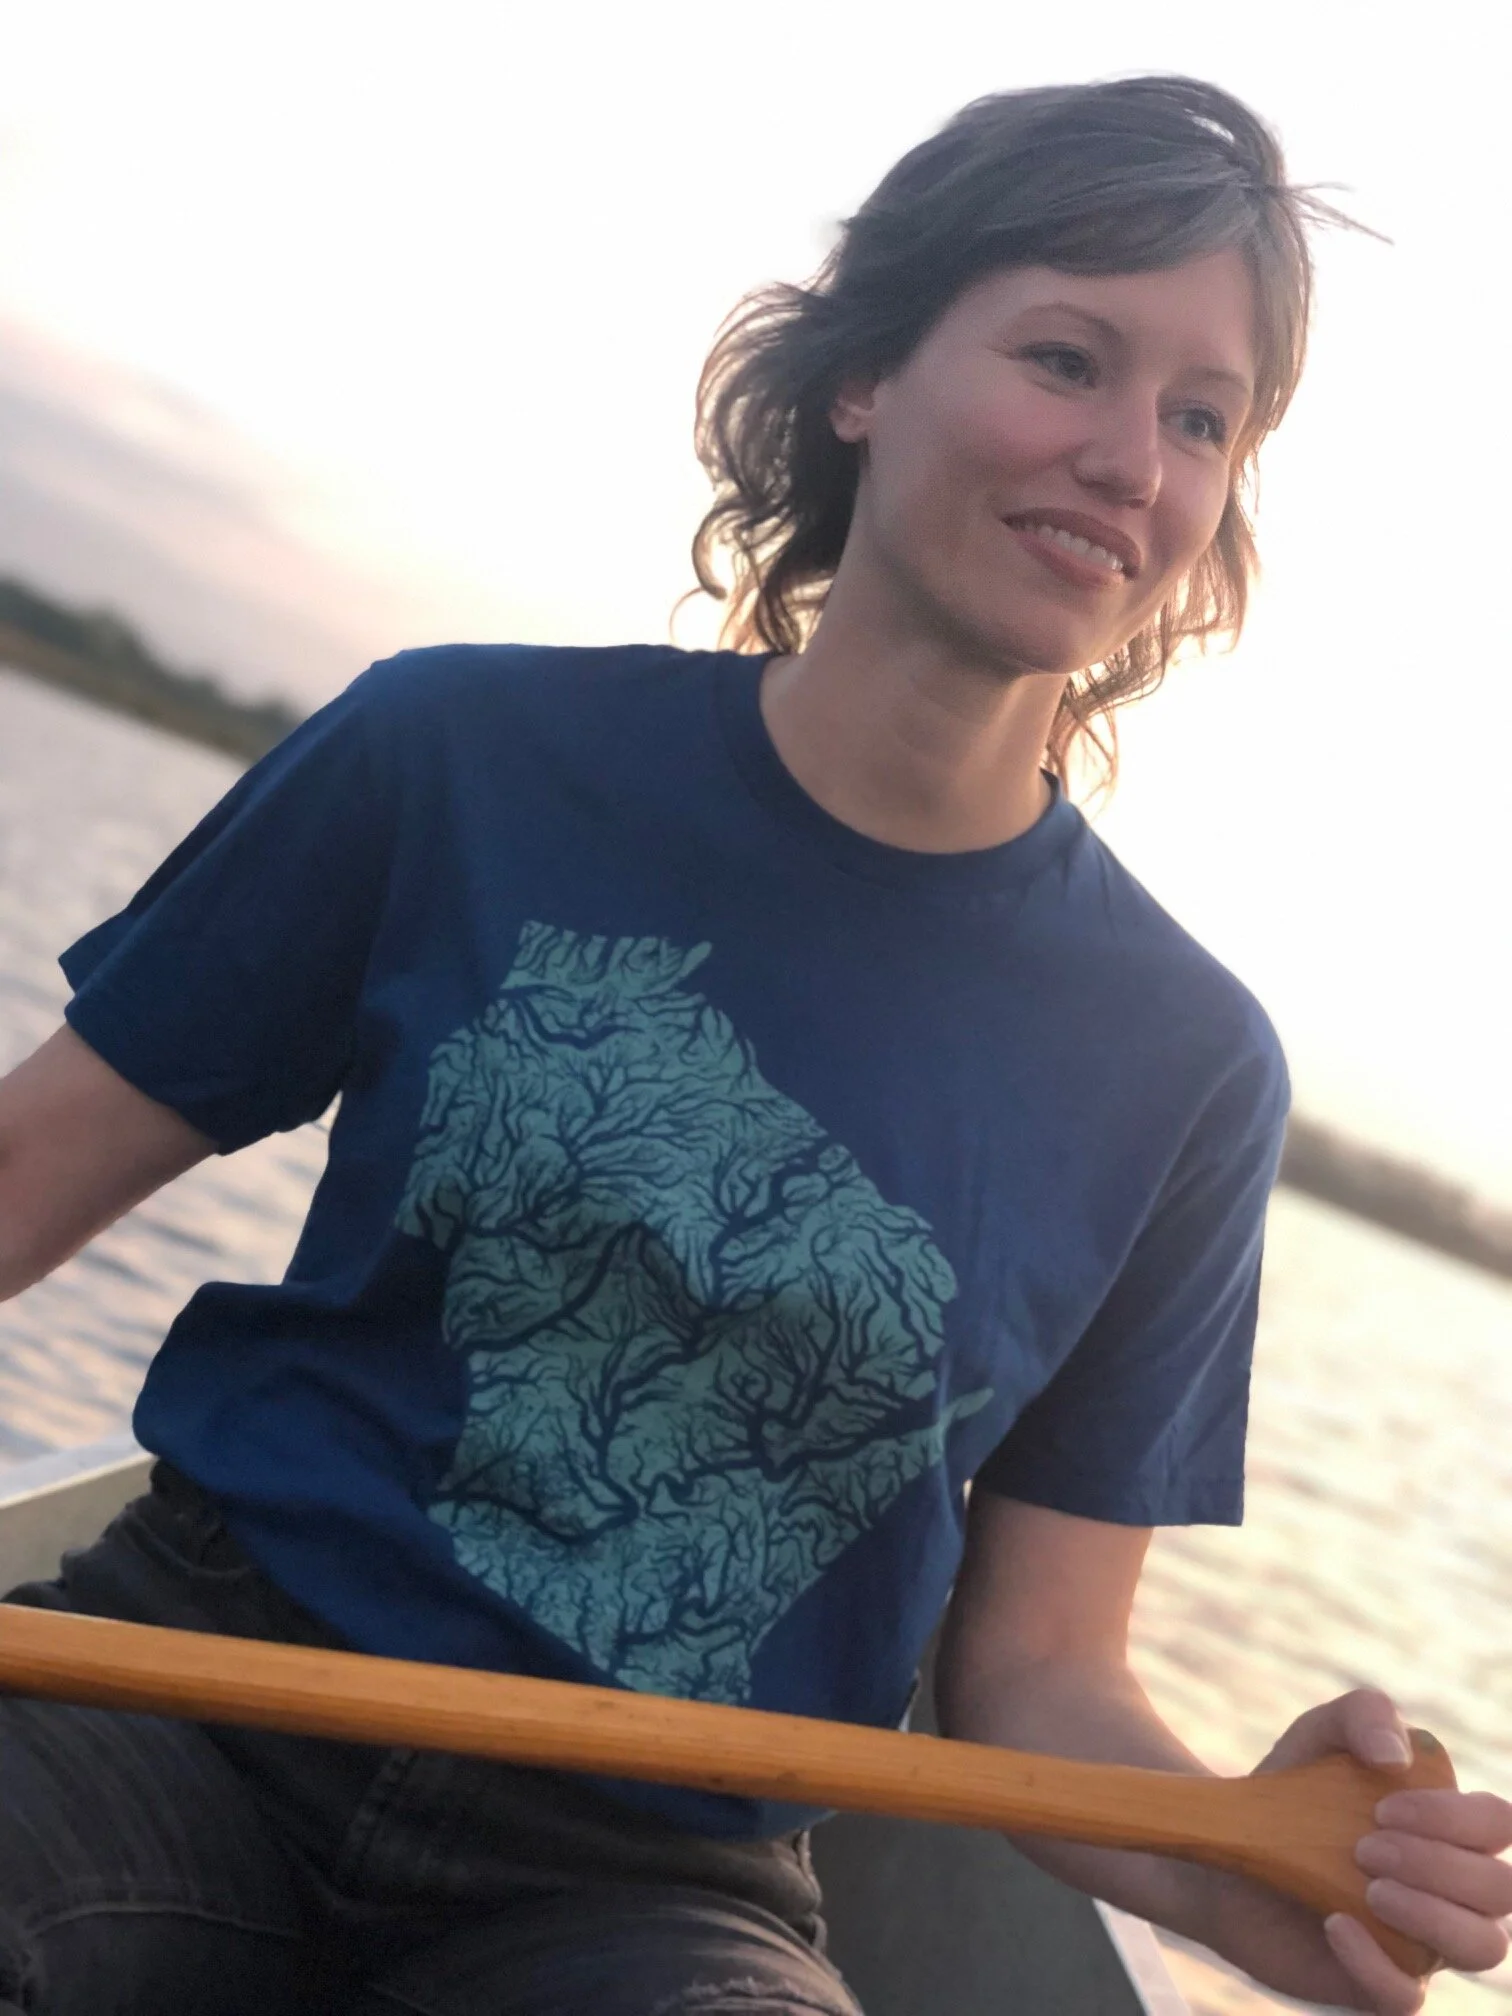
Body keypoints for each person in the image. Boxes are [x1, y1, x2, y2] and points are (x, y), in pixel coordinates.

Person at [0, 72, 1506, 2016]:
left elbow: (1035, 1677)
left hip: (643, 1881)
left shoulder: (1191, 1068)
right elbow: (28, 1174)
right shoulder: (455, 753)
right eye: (1070, 357)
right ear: (865, 375)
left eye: (1202, 419)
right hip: (183, 1710)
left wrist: (1229, 1863)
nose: (1133, 455)